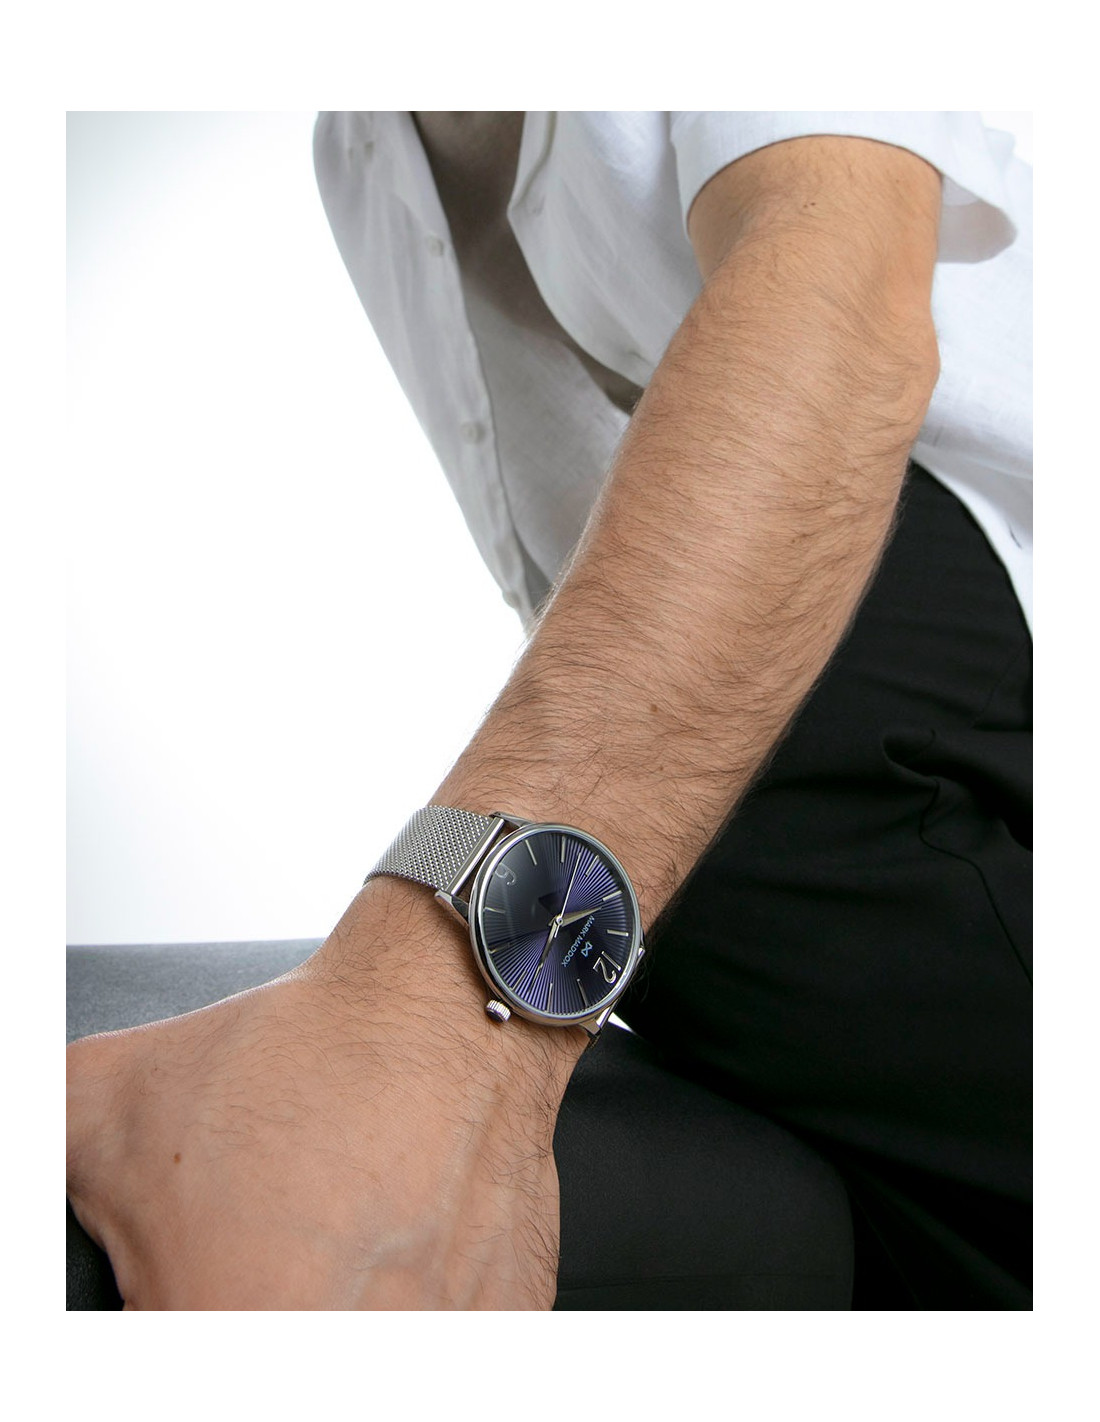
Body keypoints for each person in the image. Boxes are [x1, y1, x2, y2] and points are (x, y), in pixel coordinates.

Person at [65, 111, 1032, 1309]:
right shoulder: (356, 156)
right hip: (717, 889)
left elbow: (840, 298)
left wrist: (413, 1028)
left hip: (942, 610)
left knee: (739, 771)